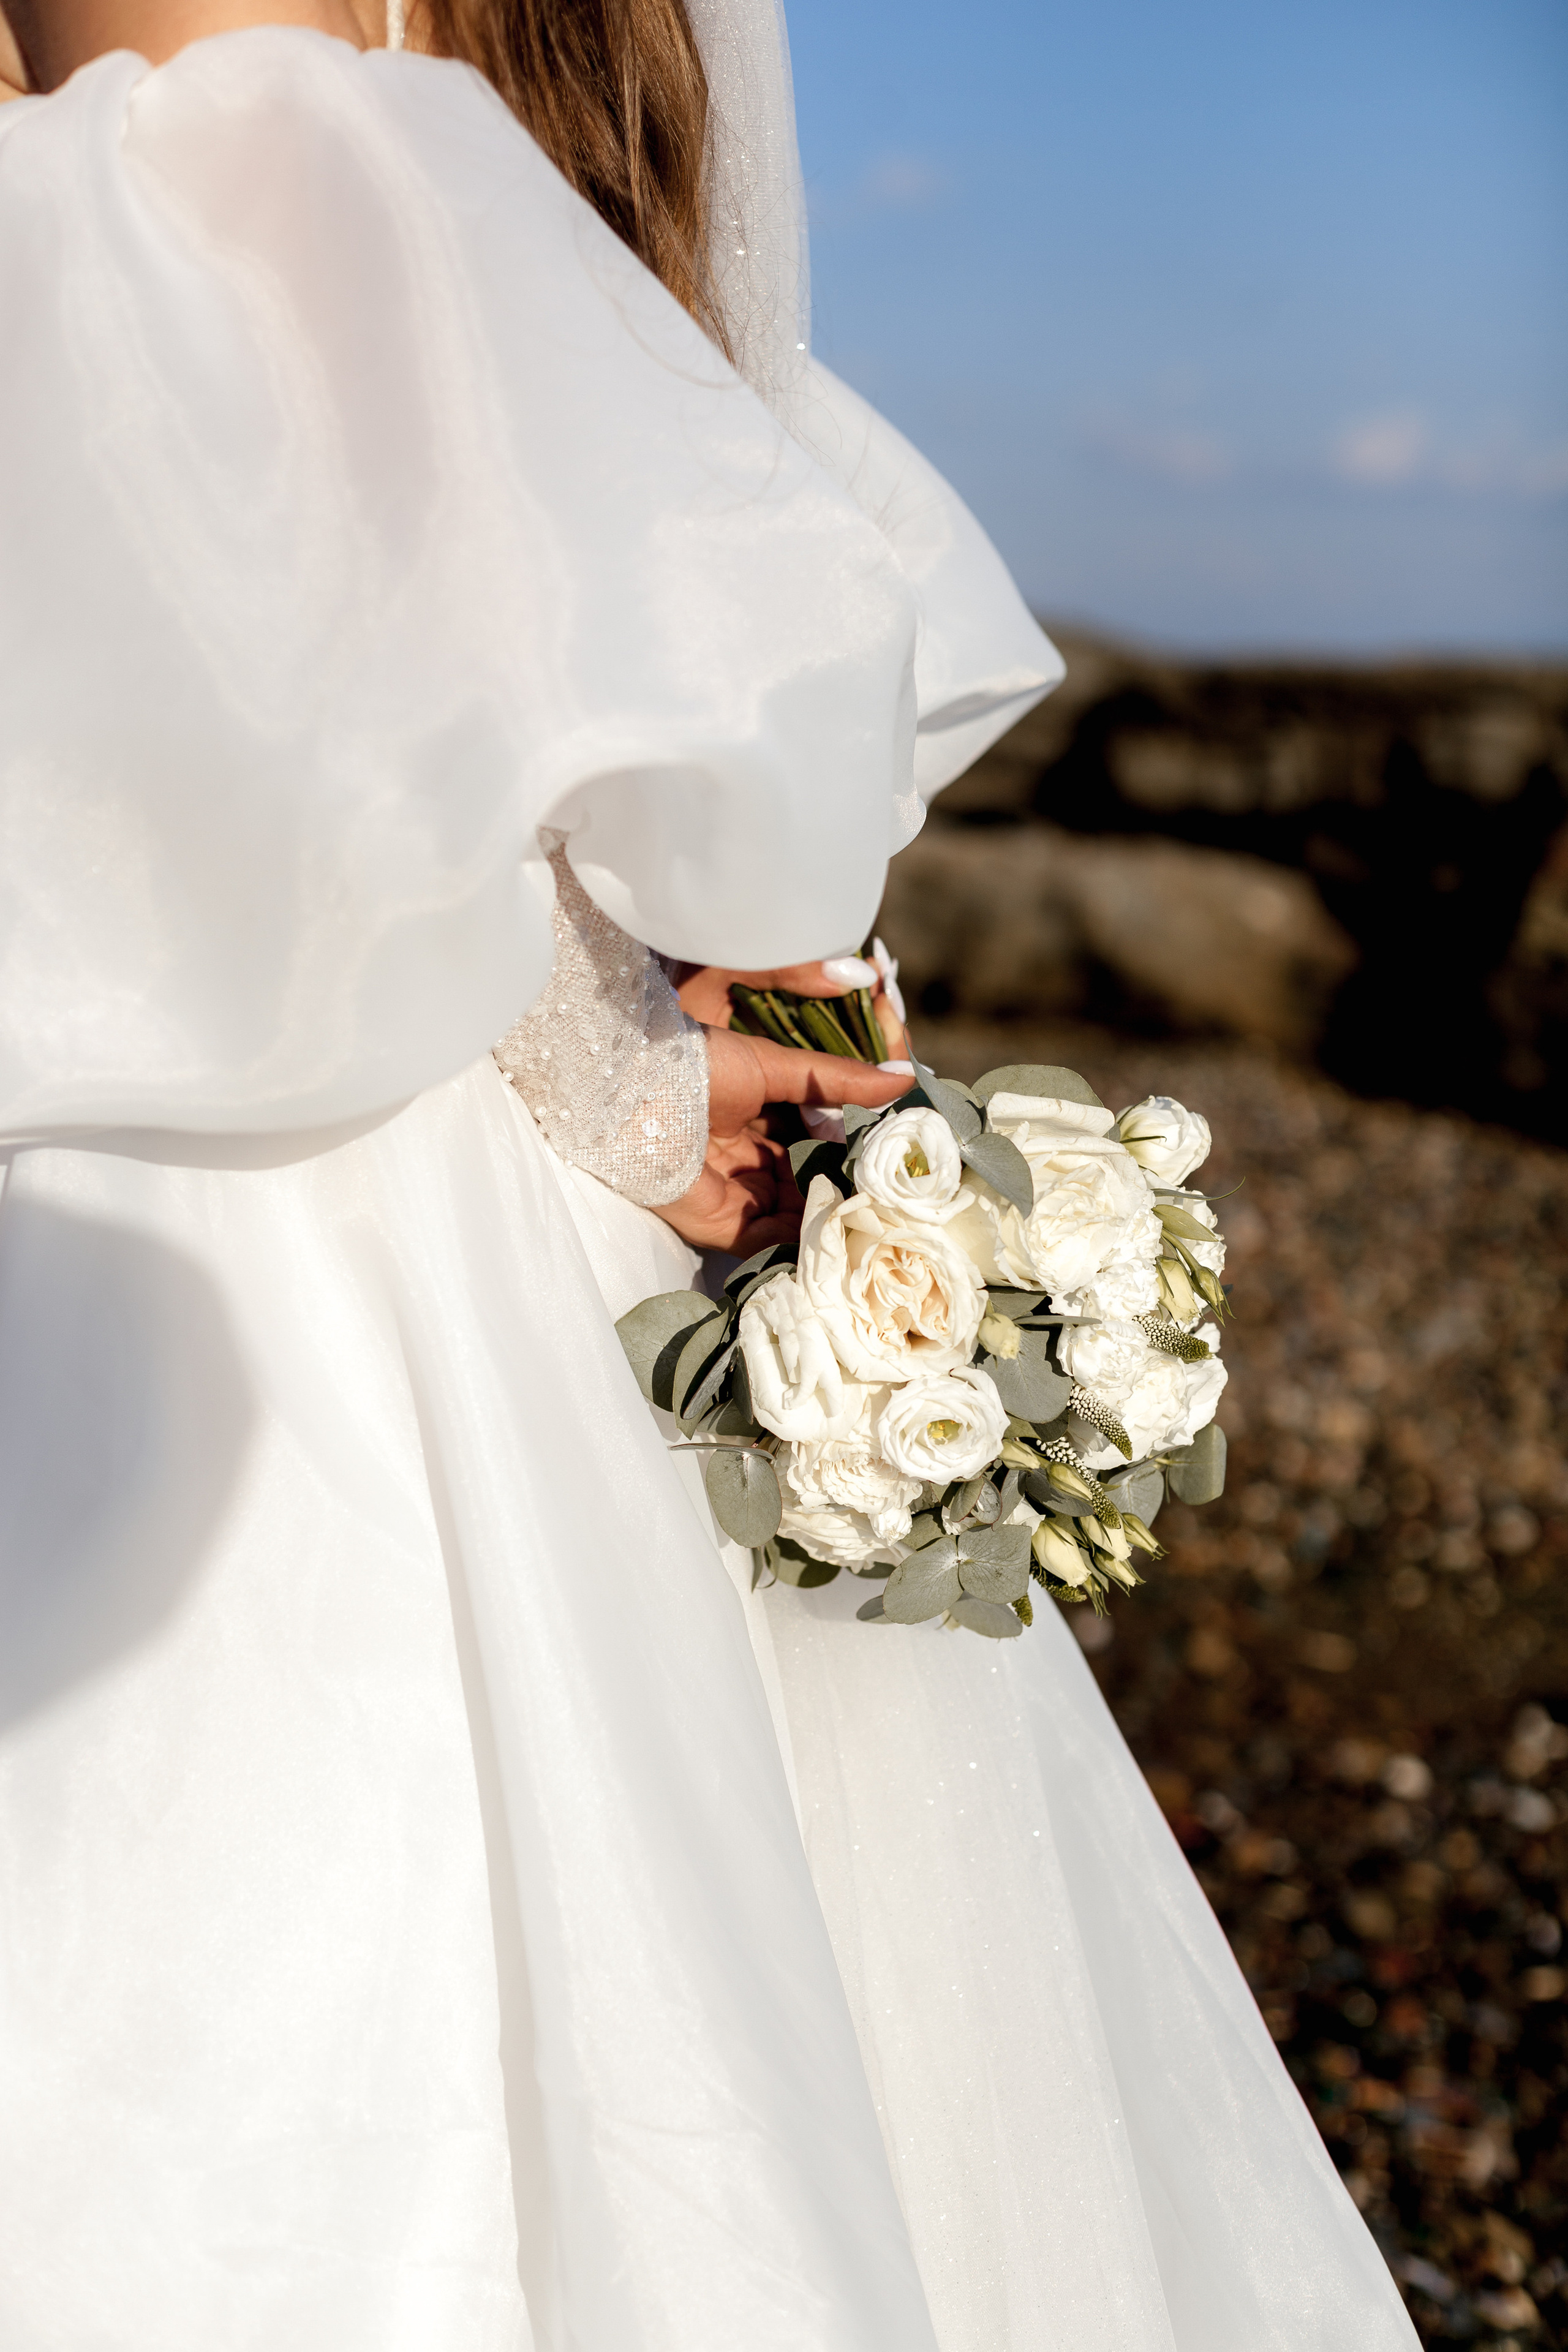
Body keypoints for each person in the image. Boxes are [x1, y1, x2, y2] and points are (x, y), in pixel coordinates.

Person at [0, 0, 1420, 2344]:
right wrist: (694, 995)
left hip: (292, 1144)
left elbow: (222, 462)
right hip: (436, 1120)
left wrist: (636, 1059)